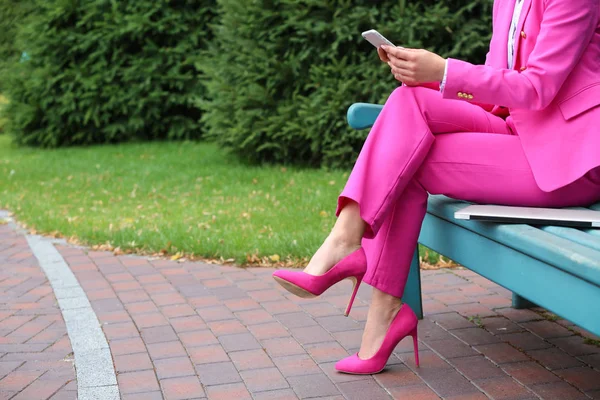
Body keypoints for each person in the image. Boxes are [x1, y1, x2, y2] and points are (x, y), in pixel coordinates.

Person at [273, 0, 600, 375]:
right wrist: (425, 74)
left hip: (566, 159)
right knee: (408, 102)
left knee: (408, 159)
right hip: (518, 135)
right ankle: (352, 251)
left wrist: (445, 70)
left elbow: (537, 88)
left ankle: (362, 276)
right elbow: (496, 84)